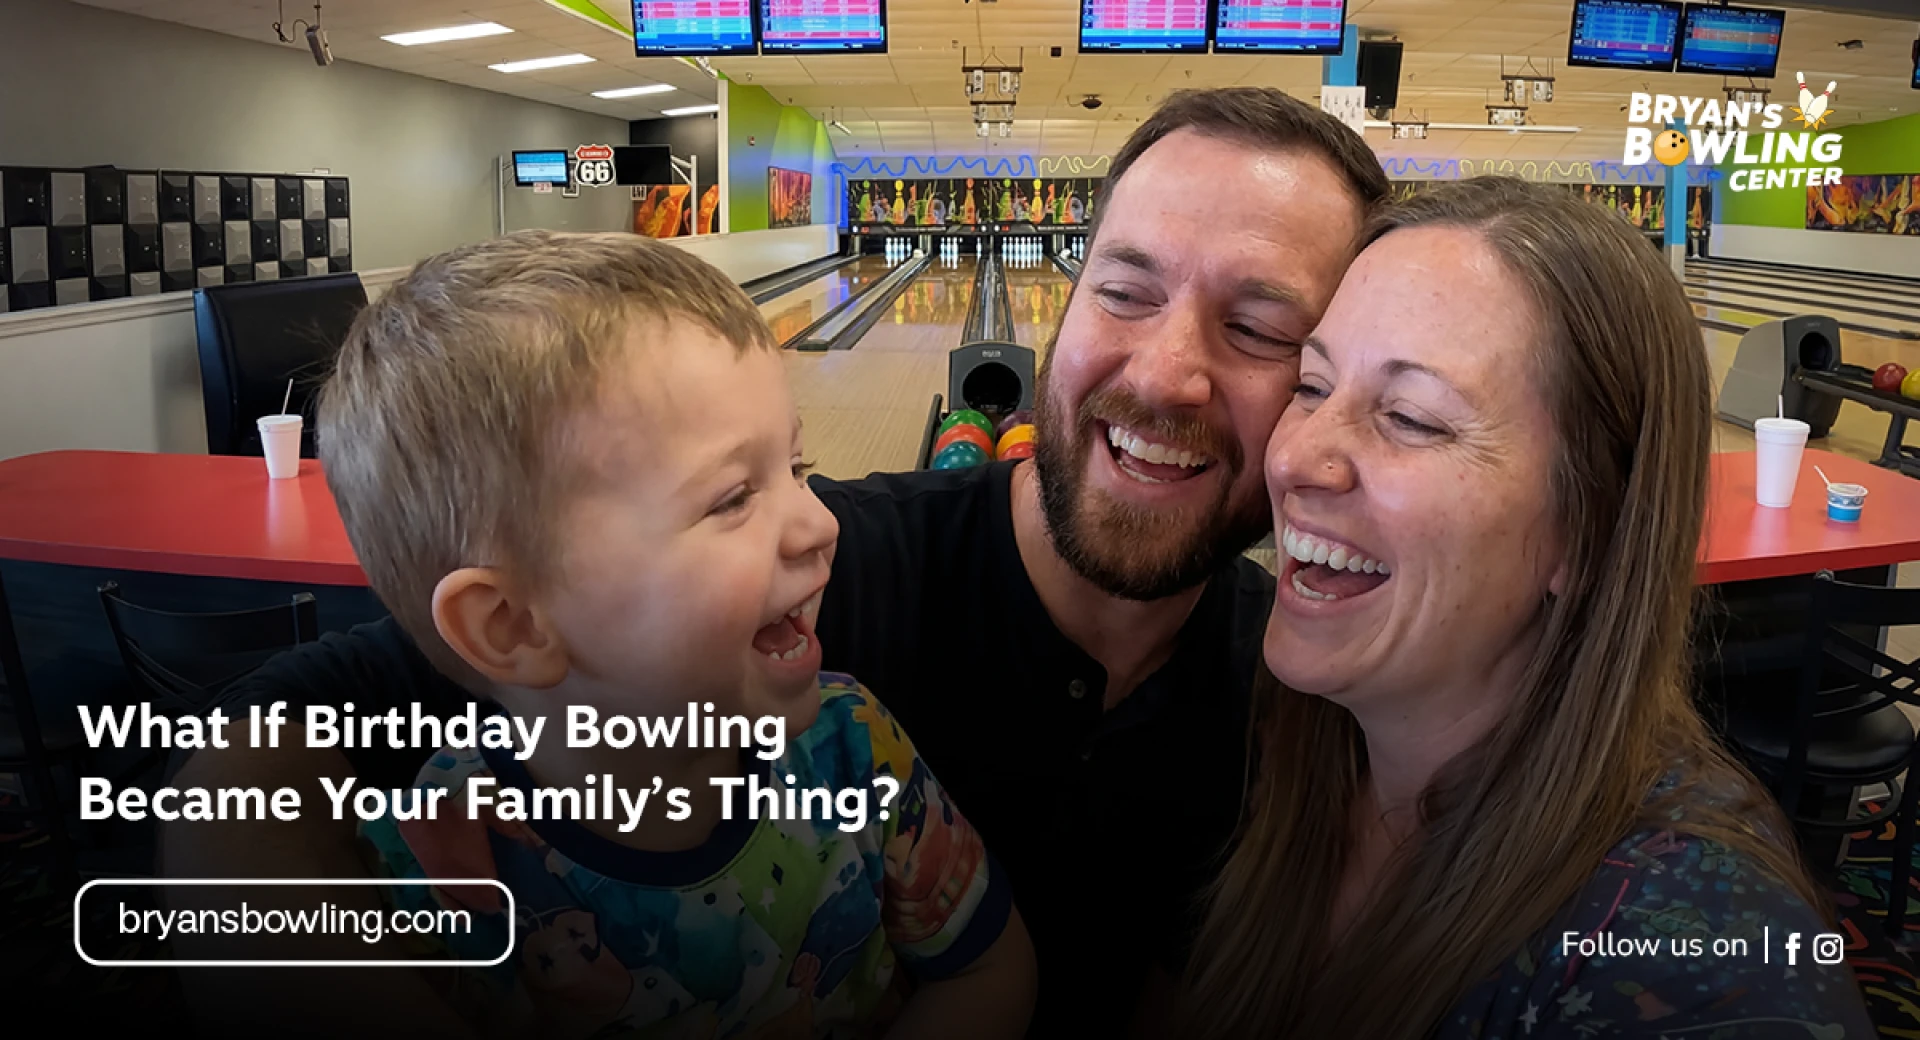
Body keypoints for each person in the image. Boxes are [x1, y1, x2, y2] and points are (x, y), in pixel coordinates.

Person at [163, 87, 1392, 1034]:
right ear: (1066, 307)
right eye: (1122, 288)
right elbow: (251, 753)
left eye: (1258, 327)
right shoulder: (781, 587)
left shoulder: (1316, 697)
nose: (1166, 371)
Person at [1174, 177, 1875, 1038]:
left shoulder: (1693, 953)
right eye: (1312, 387)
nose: (1293, 459)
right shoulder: (1283, 743)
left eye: (1411, 417)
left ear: (1587, 529)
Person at [330, 231, 1033, 1036]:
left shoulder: (857, 748)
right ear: (514, 626)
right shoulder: (439, 875)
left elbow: (993, 968)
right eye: (733, 496)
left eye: (799, 467)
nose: (820, 519)